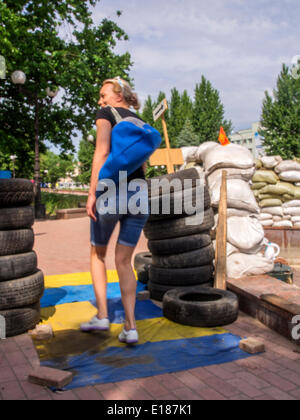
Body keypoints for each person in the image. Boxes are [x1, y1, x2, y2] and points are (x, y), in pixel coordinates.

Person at [80, 77, 149, 345]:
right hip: (139, 194)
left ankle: (103, 316)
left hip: (111, 191)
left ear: (117, 95)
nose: (100, 100)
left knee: (98, 253)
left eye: (103, 94)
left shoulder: (106, 113)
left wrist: (91, 193)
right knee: (124, 262)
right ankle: (131, 328)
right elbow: (142, 166)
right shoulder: (140, 123)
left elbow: (102, 151)